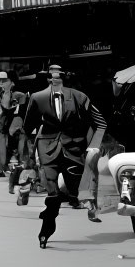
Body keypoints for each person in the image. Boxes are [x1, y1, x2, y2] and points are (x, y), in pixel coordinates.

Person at [22, 62, 108, 247]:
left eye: (59, 76)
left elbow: (100, 123)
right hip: (47, 149)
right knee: (52, 192)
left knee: (76, 192)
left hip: (74, 150)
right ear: (47, 79)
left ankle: (53, 211)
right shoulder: (38, 98)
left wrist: (93, 147)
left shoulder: (79, 97)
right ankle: (45, 232)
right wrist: (33, 152)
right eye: (52, 76)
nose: (55, 79)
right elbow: (28, 127)